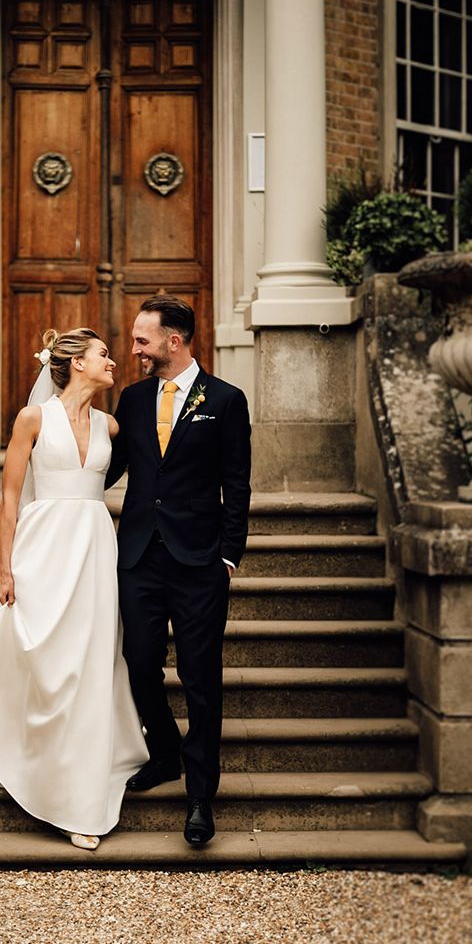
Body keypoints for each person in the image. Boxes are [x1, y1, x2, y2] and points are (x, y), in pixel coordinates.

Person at [105, 296, 251, 847]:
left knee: (200, 678)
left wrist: (229, 552)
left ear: (175, 340)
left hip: (199, 562)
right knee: (139, 664)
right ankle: (163, 753)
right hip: (139, 556)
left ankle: (199, 797)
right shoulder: (134, 399)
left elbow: (237, 481)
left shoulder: (227, 400)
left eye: (144, 340)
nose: (135, 350)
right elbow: (109, 467)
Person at [0, 328, 149, 851]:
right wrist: (4, 567)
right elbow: (11, 497)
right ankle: (38, 770)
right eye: (104, 355)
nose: (113, 361)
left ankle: (80, 798)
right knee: (51, 664)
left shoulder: (111, 424)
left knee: (91, 667)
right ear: (75, 363)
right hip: (42, 549)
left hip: (94, 550)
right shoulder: (32, 419)